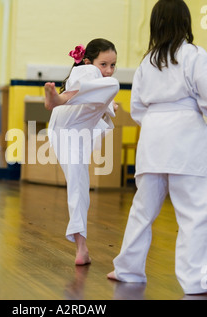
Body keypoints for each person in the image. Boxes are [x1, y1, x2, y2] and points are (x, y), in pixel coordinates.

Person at [107, 0, 207, 295]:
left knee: (143, 209)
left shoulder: (147, 61)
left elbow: (137, 109)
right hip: (187, 139)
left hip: (153, 139)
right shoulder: (195, 55)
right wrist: (191, 108)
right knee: (195, 212)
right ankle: (196, 282)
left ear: (155, 23)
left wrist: (159, 120)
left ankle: (127, 270)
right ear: (185, 22)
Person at [44, 38, 120, 265]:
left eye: (113, 65)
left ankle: (82, 248)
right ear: (88, 60)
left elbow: (93, 97)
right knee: (78, 189)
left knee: (79, 187)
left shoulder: (89, 75)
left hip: (64, 127)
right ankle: (81, 248)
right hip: (70, 127)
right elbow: (85, 84)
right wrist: (58, 99)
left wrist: (110, 106)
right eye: (103, 64)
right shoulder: (88, 72)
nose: (108, 70)